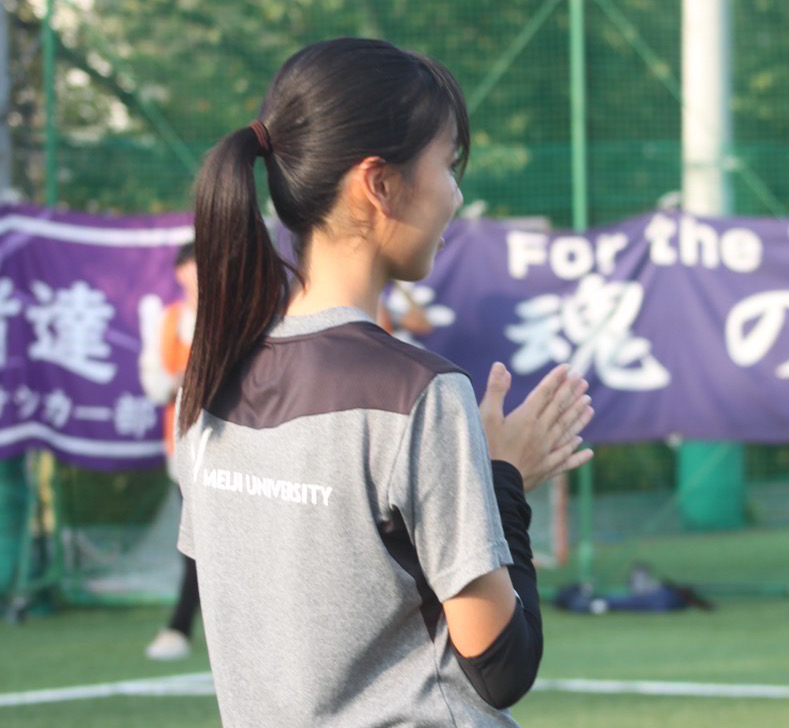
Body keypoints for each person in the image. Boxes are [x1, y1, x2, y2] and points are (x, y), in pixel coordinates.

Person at [174, 38, 594, 727]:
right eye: (448, 165)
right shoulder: (418, 394)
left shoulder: (210, 385)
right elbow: (501, 667)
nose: (456, 195)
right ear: (380, 184)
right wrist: (503, 482)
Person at [138, 242, 201, 660]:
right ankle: (180, 628)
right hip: (183, 447)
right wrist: (180, 379)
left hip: (233, 444)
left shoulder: (232, 317)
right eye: (191, 268)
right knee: (195, 543)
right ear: (179, 273)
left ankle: (180, 626)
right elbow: (155, 382)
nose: (197, 276)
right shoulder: (168, 319)